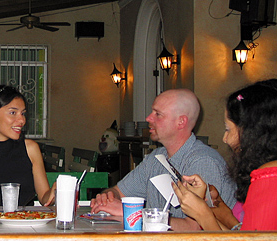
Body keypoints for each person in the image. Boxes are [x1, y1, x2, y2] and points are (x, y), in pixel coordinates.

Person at [90, 89, 236, 231]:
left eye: (158, 114)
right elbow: (119, 191)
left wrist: (133, 214)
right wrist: (108, 197)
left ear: (181, 122)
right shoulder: (156, 158)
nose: (148, 118)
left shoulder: (203, 162)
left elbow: (195, 228)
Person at [173, 79, 277, 231]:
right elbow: (243, 235)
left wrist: (203, 214)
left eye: (228, 129)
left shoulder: (269, 178)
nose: (225, 139)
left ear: (252, 132)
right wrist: (206, 211)